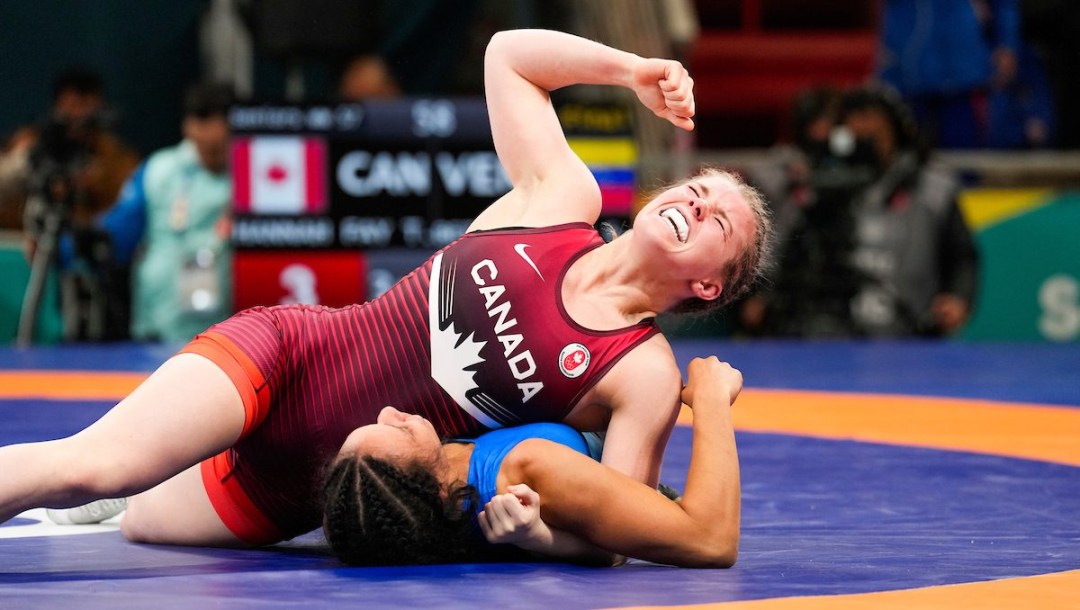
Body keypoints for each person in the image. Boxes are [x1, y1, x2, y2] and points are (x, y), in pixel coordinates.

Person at [0, 29, 772, 548]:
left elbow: (614, 528)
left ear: (708, 283)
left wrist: (532, 532)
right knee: (90, 466)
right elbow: (508, 54)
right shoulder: (560, 201)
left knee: (131, 522)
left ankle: (128, 494)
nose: (696, 203)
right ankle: (120, 474)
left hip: (324, 482)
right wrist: (631, 70)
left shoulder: (640, 371)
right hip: (289, 354)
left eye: (718, 222)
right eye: (697, 188)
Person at [323, 356, 742, 568]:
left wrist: (543, 539)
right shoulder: (527, 470)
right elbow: (712, 541)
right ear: (434, 488)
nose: (391, 413)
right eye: (398, 431)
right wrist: (711, 399)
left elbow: (601, 550)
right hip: (634, 492)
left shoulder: (422, 509)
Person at [743, 85, 977, 338]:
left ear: (896, 128)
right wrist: (763, 296)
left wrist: (957, 297)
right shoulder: (814, 184)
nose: (861, 130)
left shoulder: (933, 189)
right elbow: (786, 248)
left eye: (871, 122)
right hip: (827, 332)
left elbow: (962, 255)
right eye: (852, 123)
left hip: (908, 332)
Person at [85, 82, 235, 342]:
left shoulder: (256, 176)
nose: (213, 135)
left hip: (230, 336)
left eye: (222, 126)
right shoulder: (159, 169)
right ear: (188, 126)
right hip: (156, 326)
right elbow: (117, 233)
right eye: (203, 122)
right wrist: (62, 245)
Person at [877, 0, 1020, 149]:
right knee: (907, 157)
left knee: (964, 158)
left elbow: (1005, 5)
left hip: (960, 73)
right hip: (906, 70)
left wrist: (1007, 43)